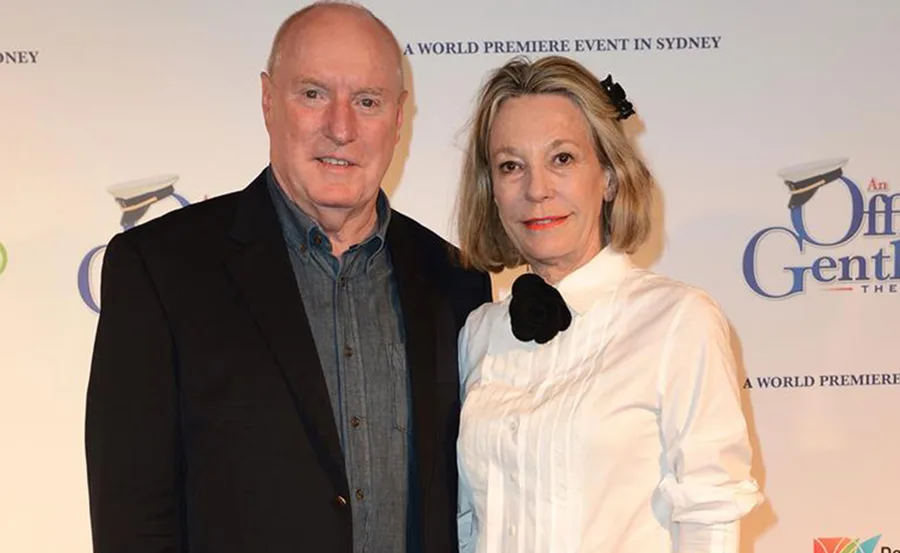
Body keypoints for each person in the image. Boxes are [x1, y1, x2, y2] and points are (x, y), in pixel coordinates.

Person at [84, 3, 492, 553]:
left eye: (366, 102)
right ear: (267, 100)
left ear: (398, 119)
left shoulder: (456, 280)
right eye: (314, 94)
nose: (341, 128)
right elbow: (133, 521)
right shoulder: (159, 270)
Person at [454, 55, 763, 552]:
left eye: (562, 159)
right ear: (491, 192)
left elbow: (709, 516)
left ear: (611, 177)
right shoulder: (479, 333)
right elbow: (470, 523)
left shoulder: (678, 322)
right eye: (511, 166)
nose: (537, 190)